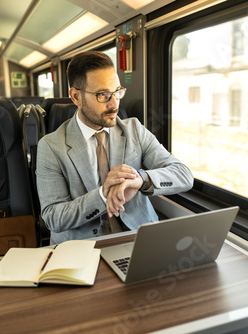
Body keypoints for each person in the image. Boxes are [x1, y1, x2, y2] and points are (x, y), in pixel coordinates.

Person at [36, 51, 193, 244]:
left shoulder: (134, 130)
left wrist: (141, 180)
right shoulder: (51, 146)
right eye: (103, 95)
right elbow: (53, 217)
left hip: (138, 237)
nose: (114, 104)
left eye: (117, 91)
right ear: (76, 96)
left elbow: (183, 175)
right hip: (82, 247)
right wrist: (103, 194)